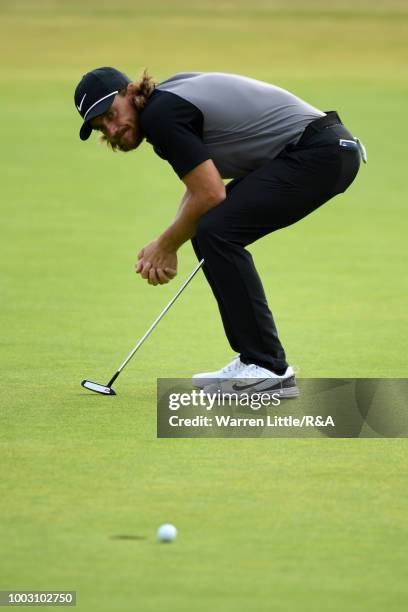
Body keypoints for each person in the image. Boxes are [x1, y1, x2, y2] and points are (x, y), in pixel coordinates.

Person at [74, 66, 365, 396]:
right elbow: (200, 188)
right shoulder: (165, 106)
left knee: (217, 231)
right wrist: (169, 241)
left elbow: (211, 193)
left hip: (319, 153)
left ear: (130, 91)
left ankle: (268, 368)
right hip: (324, 150)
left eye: (112, 114)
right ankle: (255, 360)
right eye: (102, 127)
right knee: (210, 229)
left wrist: (166, 245)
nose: (112, 129)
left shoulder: (160, 116)